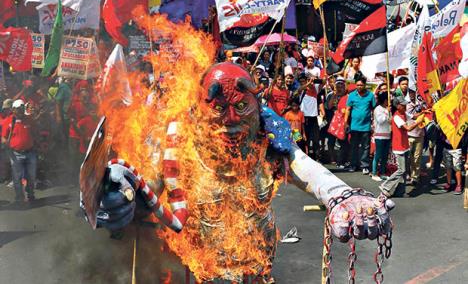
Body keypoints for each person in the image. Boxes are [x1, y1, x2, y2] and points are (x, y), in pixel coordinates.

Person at [81, 62, 393, 282]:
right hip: (198, 273)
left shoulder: (267, 140)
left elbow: (304, 166)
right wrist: (111, 193)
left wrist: (343, 196)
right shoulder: (176, 144)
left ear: (257, 108)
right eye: (218, 109)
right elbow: (138, 190)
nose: (230, 120)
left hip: (256, 272)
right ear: (200, 111)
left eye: (241, 107)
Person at [380, 97, 424, 197]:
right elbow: (408, 128)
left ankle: (400, 192)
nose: (405, 106)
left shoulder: (404, 113)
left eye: (405, 104)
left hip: (405, 145)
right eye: (402, 105)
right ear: (397, 106)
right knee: (401, 170)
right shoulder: (396, 117)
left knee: (404, 172)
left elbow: (414, 116)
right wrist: (418, 122)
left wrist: (424, 112)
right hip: (398, 146)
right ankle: (385, 186)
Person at [1, 100, 36, 202]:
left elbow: (34, 132)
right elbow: (3, 137)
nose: (20, 111)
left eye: (21, 109)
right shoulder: (8, 121)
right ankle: (19, 196)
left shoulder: (29, 119)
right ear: (13, 110)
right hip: (16, 154)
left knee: (31, 175)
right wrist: (4, 142)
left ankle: (30, 194)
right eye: (18, 109)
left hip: (30, 152)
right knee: (17, 177)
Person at [345, 76, 376, 174]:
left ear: (365, 85)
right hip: (354, 126)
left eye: (361, 85)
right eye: (357, 85)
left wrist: (374, 123)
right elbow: (348, 109)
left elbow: (374, 109)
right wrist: (346, 123)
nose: (359, 87)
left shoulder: (370, 95)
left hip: (366, 126)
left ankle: (365, 166)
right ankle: (353, 165)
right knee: (353, 146)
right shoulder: (352, 95)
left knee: (365, 147)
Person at [297, 73, 325, 159]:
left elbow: (324, 81)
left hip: (313, 117)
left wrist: (314, 78)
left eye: (304, 81)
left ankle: (317, 157)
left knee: (316, 139)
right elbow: (300, 89)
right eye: (301, 81)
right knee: (304, 139)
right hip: (303, 118)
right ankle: (305, 155)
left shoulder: (315, 88)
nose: (302, 83)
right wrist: (308, 83)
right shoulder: (301, 90)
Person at [406, 88, 426, 185]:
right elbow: (412, 116)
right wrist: (423, 112)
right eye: (410, 92)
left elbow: (428, 111)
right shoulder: (406, 104)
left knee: (417, 157)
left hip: (420, 134)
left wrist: (424, 107)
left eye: (413, 92)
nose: (412, 94)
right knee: (409, 157)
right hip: (409, 134)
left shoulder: (421, 102)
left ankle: (415, 177)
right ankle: (408, 174)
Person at [371, 92, 391, 181]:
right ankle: (374, 173)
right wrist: (387, 112)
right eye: (388, 99)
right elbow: (380, 120)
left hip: (387, 135)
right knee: (378, 155)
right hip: (379, 135)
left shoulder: (388, 109)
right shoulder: (378, 109)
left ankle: (382, 172)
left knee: (385, 156)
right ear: (385, 100)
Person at [0, 99, 13, 183]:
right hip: (3, 141)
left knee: (8, 160)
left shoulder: (12, 117)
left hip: (9, 142)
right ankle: (4, 177)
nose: (7, 110)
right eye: (5, 109)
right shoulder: (3, 117)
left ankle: (7, 177)